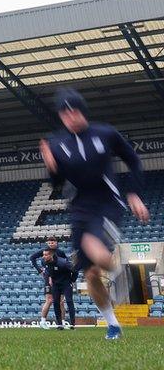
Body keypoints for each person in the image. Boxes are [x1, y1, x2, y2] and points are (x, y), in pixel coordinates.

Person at [39, 87, 149, 340]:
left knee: (92, 246)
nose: (69, 118)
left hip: (108, 204)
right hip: (79, 209)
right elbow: (56, 183)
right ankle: (113, 325)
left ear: (82, 111)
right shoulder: (58, 143)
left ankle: (122, 277)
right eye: (64, 114)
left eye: (73, 111)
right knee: (90, 274)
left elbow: (133, 160)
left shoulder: (105, 133)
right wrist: (51, 167)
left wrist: (133, 193)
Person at [29, 237, 68, 327]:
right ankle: (42, 322)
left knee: (61, 301)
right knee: (49, 300)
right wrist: (39, 270)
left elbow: (66, 264)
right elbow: (32, 258)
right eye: (49, 243)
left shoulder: (60, 252)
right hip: (49, 278)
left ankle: (62, 322)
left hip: (59, 279)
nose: (51, 244)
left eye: (52, 242)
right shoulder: (44, 252)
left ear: (56, 243)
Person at [41, 248, 75, 329]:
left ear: (51, 255)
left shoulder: (63, 263)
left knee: (69, 301)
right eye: (43, 255)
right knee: (56, 303)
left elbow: (75, 270)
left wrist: (72, 280)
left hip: (66, 284)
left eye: (46, 255)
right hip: (56, 285)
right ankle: (60, 325)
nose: (43, 256)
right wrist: (50, 278)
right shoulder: (44, 262)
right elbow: (49, 271)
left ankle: (72, 324)